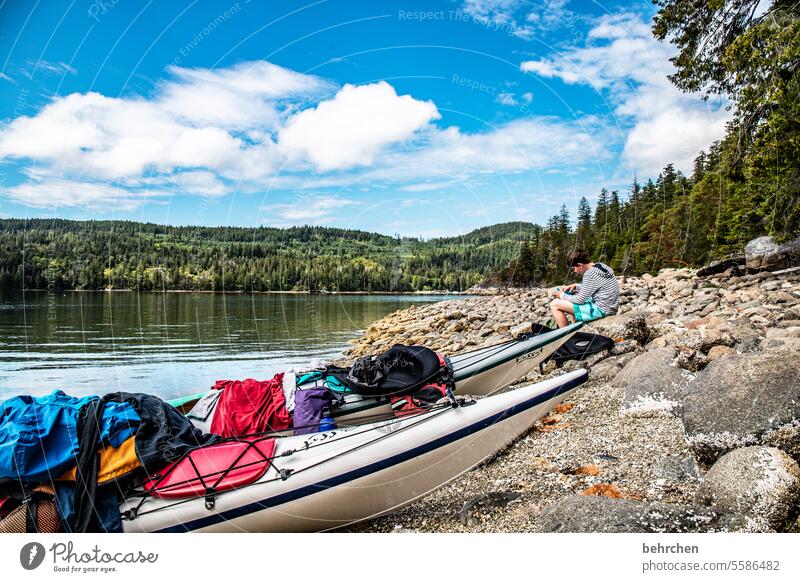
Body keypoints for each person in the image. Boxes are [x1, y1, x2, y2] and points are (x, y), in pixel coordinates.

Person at [549, 249, 619, 328]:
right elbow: (597, 285)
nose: (575, 271)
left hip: (601, 310)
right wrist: (577, 286)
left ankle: (566, 336)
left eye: (574, 268)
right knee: (573, 296)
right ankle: (577, 330)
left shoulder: (589, 274)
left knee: (555, 304)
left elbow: (580, 300)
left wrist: (562, 295)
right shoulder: (601, 266)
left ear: (580, 265)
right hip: (610, 307)